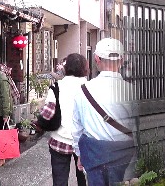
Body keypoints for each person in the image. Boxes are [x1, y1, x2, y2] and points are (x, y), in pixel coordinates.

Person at [73, 38, 137, 186]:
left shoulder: (83, 91)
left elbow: (77, 129)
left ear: (96, 59)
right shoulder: (132, 92)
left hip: (95, 158)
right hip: (126, 160)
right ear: (122, 60)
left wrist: (79, 153)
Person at [41, 54, 89, 186]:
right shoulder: (89, 87)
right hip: (83, 142)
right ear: (84, 69)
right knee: (84, 179)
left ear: (66, 68)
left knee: (60, 180)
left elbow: (47, 114)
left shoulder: (57, 87)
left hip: (60, 140)